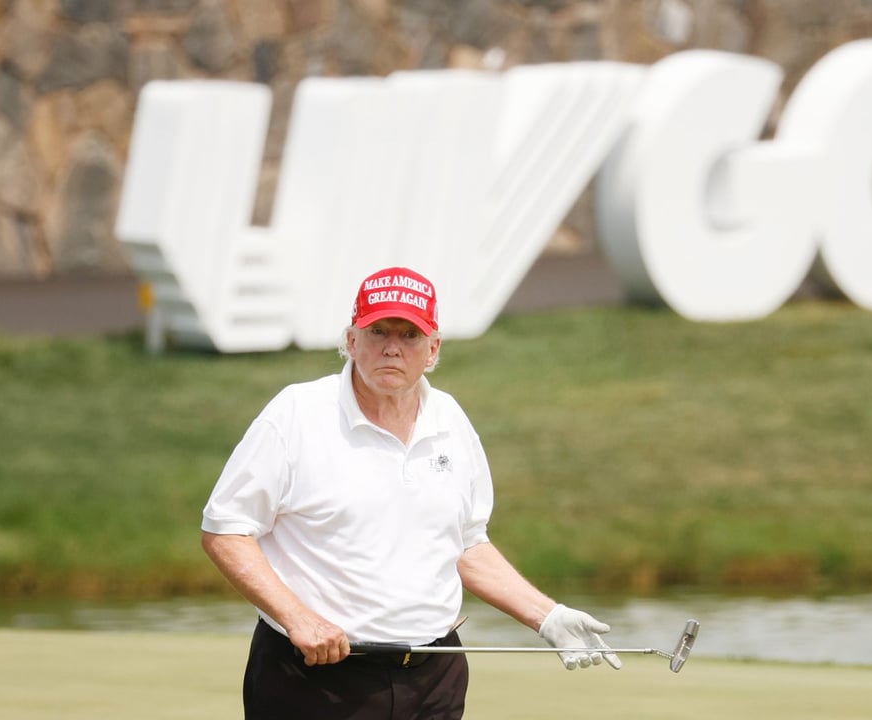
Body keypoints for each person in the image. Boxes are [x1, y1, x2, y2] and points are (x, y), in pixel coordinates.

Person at [201, 265, 620, 719]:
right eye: (378, 330)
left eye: (410, 335)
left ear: (433, 348)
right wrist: (297, 617)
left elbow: (466, 546)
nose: (392, 348)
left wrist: (547, 615)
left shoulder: (451, 421)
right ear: (351, 340)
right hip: (316, 679)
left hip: (434, 677)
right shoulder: (297, 414)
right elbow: (226, 530)